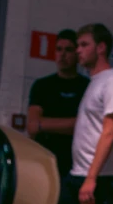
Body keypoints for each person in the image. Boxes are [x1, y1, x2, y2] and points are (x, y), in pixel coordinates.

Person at [59, 23, 113, 204]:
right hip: (81, 175)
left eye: (84, 44)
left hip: (101, 179)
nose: (78, 50)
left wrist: (91, 179)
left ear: (101, 47)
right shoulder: (95, 82)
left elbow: (110, 131)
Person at [27, 29, 90, 177]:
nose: (62, 55)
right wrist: (71, 124)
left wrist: (43, 124)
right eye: (59, 49)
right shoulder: (42, 85)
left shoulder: (87, 87)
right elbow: (32, 126)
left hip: (75, 164)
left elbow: (85, 127)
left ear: (77, 54)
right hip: (44, 160)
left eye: (68, 50)